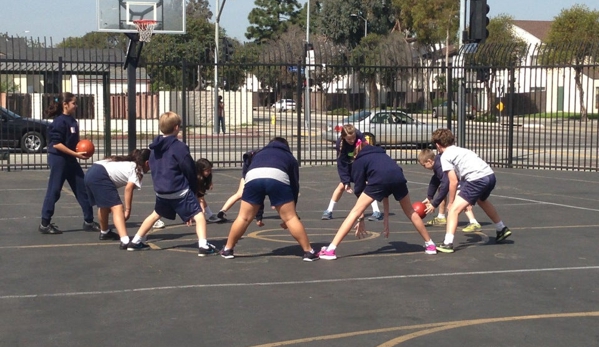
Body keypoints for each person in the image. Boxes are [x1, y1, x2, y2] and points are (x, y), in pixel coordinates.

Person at [319, 140, 437, 260]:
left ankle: (331, 250)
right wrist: (386, 218)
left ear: (355, 153)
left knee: (353, 212)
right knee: (410, 212)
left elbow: (359, 190)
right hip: (398, 177)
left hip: (380, 179)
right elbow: (386, 190)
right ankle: (430, 244)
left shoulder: (359, 161)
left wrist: (361, 219)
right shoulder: (381, 154)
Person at [127, 111, 217, 256]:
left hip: (161, 190)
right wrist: (193, 189)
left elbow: (154, 167)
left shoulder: (153, 148)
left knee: (155, 214)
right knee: (198, 215)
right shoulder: (179, 147)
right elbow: (188, 168)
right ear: (176, 127)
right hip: (178, 189)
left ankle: (135, 241)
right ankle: (203, 245)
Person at [220, 137, 319, 261]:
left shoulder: (258, 153)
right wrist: (292, 212)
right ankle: (308, 251)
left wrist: (258, 215)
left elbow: (250, 179)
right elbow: (294, 185)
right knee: (291, 218)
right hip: (277, 176)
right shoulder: (289, 157)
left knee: (243, 217)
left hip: (253, 177)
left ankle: (228, 249)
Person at [430, 128, 512, 253]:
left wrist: (451, 202)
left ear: (437, 145)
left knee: (453, 210)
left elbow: (453, 181)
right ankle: (501, 228)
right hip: (490, 176)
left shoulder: (445, 156)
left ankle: (448, 243)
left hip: (476, 179)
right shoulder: (462, 150)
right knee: (482, 200)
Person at [38, 92, 100, 235]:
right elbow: (56, 144)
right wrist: (75, 154)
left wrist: (83, 146)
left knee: (83, 188)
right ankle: (44, 223)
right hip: (59, 159)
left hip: (70, 159)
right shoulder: (59, 122)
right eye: (73, 103)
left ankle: (89, 221)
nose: (76, 105)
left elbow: (71, 141)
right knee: (54, 191)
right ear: (65, 105)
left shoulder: (72, 121)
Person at [84, 149, 151, 249]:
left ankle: (105, 232)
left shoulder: (126, 161)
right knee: (117, 207)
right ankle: (125, 241)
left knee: (104, 205)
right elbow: (128, 189)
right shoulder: (137, 169)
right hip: (100, 175)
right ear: (147, 163)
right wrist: (127, 210)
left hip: (91, 172)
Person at [321, 124, 382, 221]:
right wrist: (346, 181)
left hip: (361, 164)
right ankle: (329, 211)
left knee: (367, 186)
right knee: (341, 186)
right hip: (349, 165)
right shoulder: (340, 145)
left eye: (353, 138)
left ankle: (377, 211)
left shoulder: (360, 139)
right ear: (343, 137)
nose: (352, 141)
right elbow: (341, 165)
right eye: (349, 139)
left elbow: (368, 155)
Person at [418, 149, 481, 232]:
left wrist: (434, 204)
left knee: (461, 198)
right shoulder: (437, 164)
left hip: (464, 179)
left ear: (429, 161)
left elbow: (446, 185)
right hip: (459, 179)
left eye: (424, 165)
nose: (424, 168)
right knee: (442, 190)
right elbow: (435, 180)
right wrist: (429, 197)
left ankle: (473, 222)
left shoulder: (440, 166)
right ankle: (441, 217)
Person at [216, 149, 265, 226]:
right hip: (251, 176)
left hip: (248, 175)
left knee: (239, 194)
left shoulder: (251, 159)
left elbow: (245, 173)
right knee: (247, 194)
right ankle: (223, 212)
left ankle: (222, 211)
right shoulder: (257, 160)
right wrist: (259, 217)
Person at [194, 158, 221, 223]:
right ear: (200, 170)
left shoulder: (204, 177)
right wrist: (202, 210)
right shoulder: (197, 179)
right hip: (185, 188)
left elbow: (200, 197)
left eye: (210, 170)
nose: (209, 172)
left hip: (194, 190)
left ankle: (210, 215)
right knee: (195, 199)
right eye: (207, 171)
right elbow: (200, 198)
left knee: (198, 199)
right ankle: (195, 215)